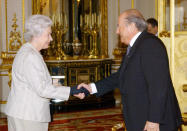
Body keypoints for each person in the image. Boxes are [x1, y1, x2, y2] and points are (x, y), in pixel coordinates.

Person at [79, 9, 183, 131]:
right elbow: (120, 76)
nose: (117, 31)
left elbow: (158, 86)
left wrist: (154, 120)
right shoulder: (136, 46)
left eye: (119, 27)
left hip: (155, 122)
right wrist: (91, 88)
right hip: (141, 118)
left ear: (132, 26)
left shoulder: (150, 45)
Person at [5, 15, 89, 131]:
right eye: (48, 34)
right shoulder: (30, 56)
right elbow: (42, 89)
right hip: (29, 116)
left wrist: (70, 89)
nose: (51, 39)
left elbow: (40, 82)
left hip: (23, 113)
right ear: (37, 35)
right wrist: (70, 90)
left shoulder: (28, 52)